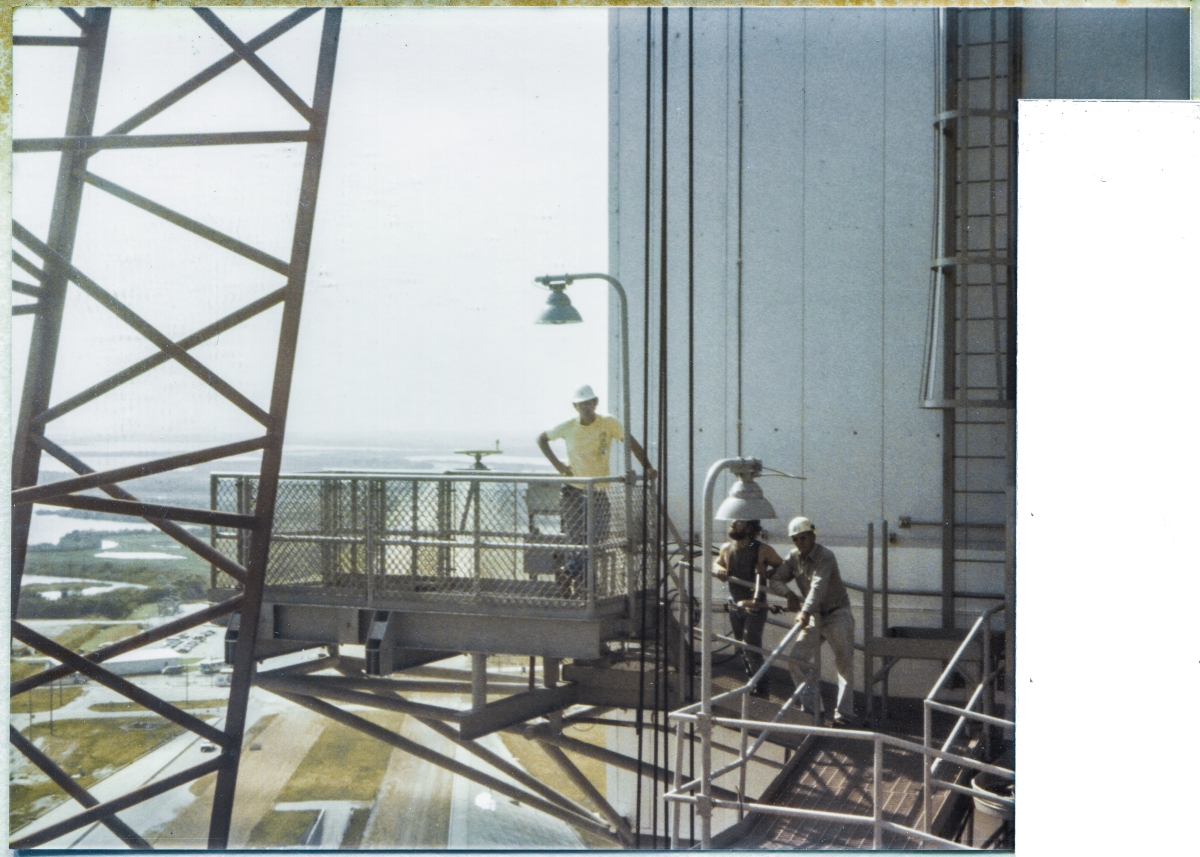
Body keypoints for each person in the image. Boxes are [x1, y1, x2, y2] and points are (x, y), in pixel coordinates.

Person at [537, 385, 656, 593]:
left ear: (596, 403)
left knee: (598, 538)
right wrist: (558, 465)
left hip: (598, 490)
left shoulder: (607, 423)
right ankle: (584, 587)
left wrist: (648, 467)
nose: (586, 407)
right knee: (578, 541)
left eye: (589, 402)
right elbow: (542, 438)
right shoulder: (568, 426)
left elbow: (632, 444)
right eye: (581, 403)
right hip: (573, 490)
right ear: (576, 406)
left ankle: (568, 573)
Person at [770, 515, 858, 725]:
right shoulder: (793, 557)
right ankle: (812, 708)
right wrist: (789, 595)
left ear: (812, 536)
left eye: (804, 538)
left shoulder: (825, 556)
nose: (801, 543)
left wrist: (805, 610)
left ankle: (844, 715)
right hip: (815, 616)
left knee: (844, 665)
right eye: (796, 539)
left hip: (837, 614)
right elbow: (775, 579)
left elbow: (818, 586)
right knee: (796, 661)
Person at [714, 519, 784, 697]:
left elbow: (783, 567)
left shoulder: (761, 549)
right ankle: (752, 682)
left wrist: (766, 573)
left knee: (750, 646)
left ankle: (761, 689)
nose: (733, 523)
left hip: (755, 606)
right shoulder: (727, 548)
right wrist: (719, 569)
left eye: (739, 521)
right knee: (740, 647)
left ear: (750, 527)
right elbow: (717, 562)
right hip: (734, 604)